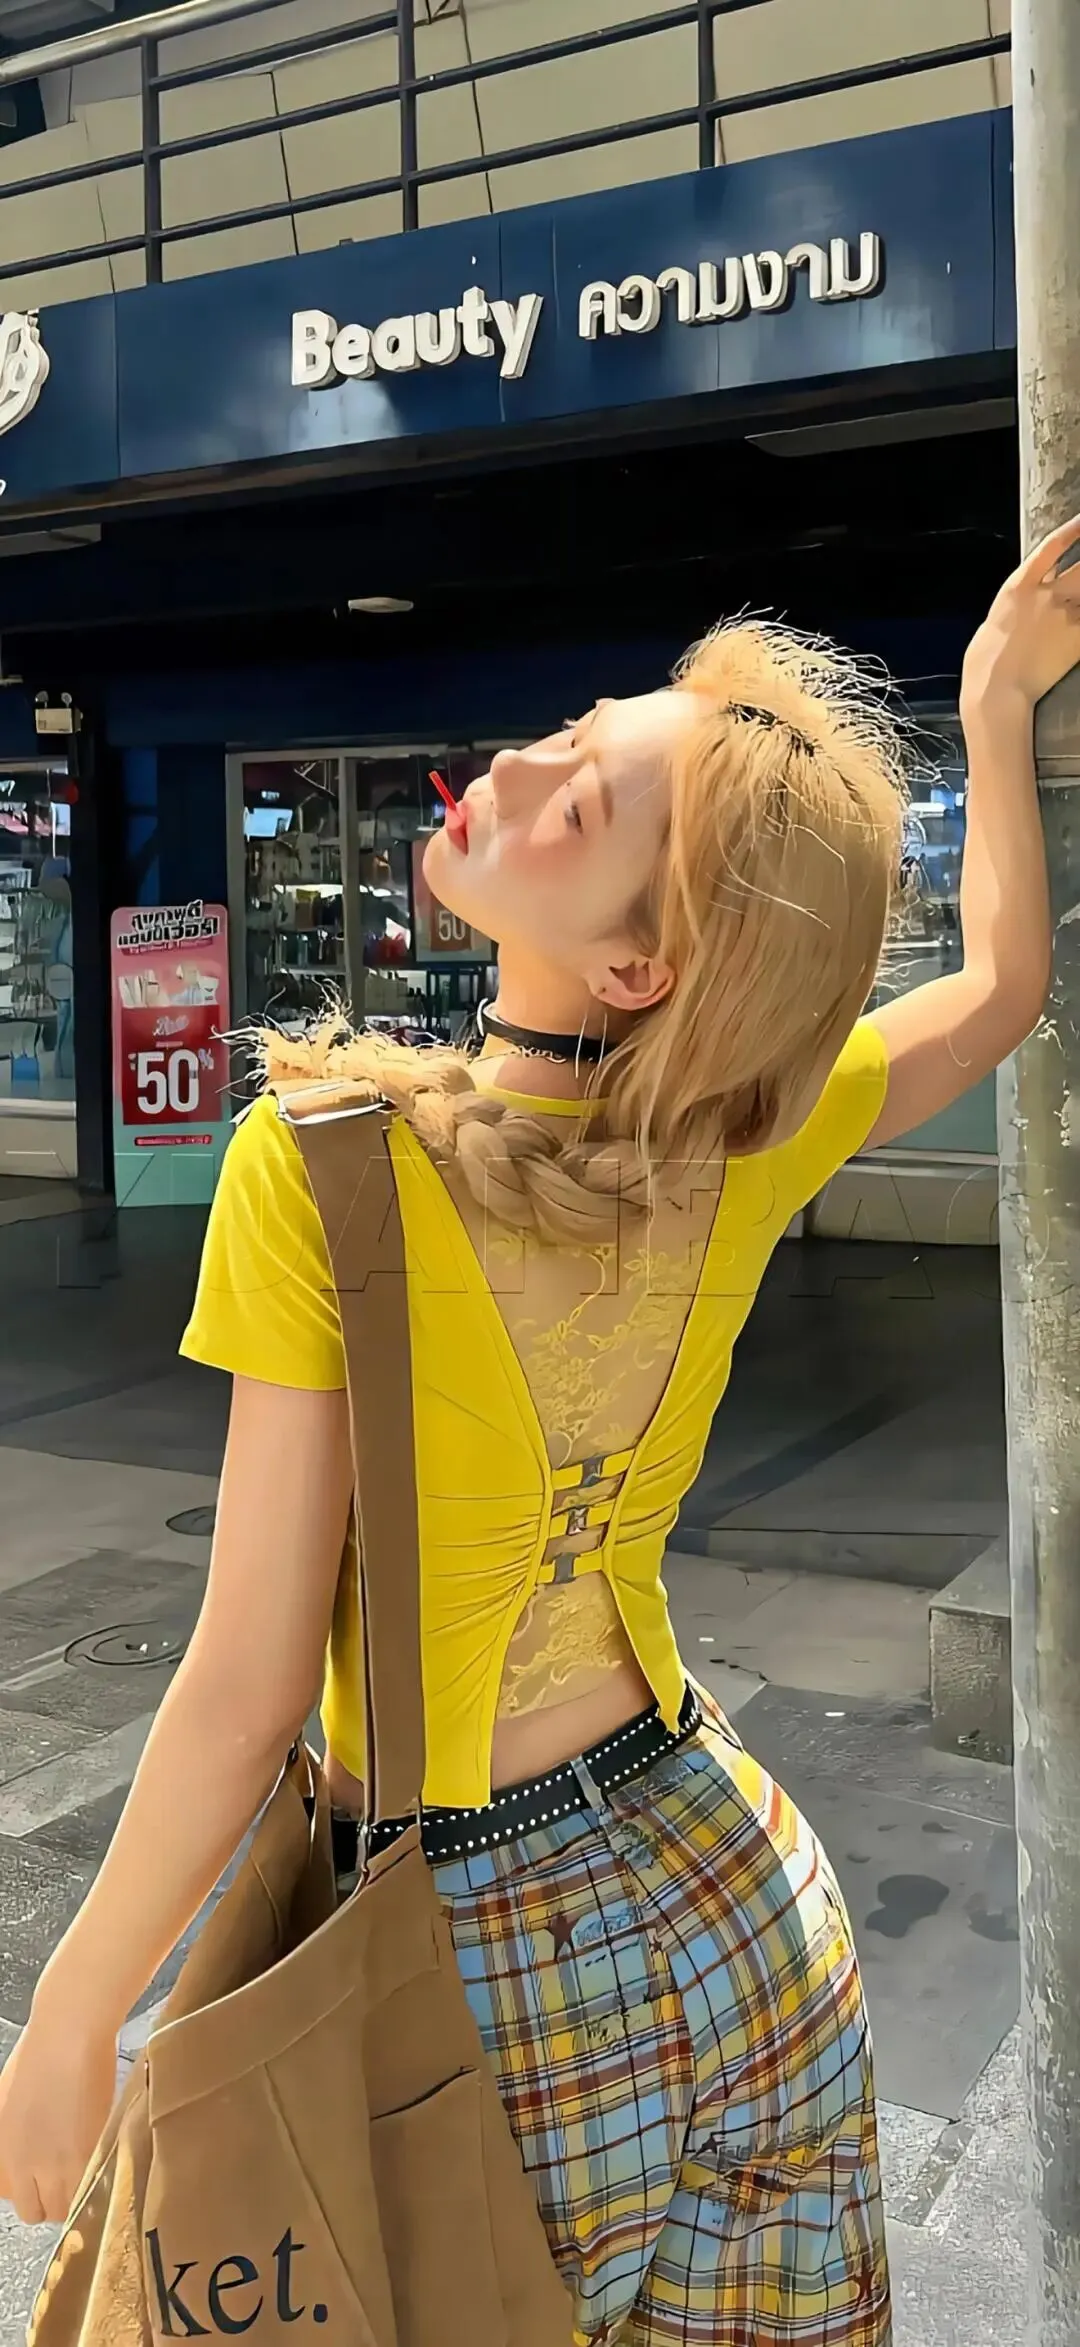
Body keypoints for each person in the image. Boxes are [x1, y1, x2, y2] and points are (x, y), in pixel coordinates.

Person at [2, 520, 1077, 2345]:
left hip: (479, 1981)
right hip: (742, 1893)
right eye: (572, 733)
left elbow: (249, 1687)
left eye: (577, 797)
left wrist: (71, 2011)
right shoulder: (745, 1138)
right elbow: (999, 994)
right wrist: (990, 701)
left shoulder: (319, 1171)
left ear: (640, 965)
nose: (512, 764)